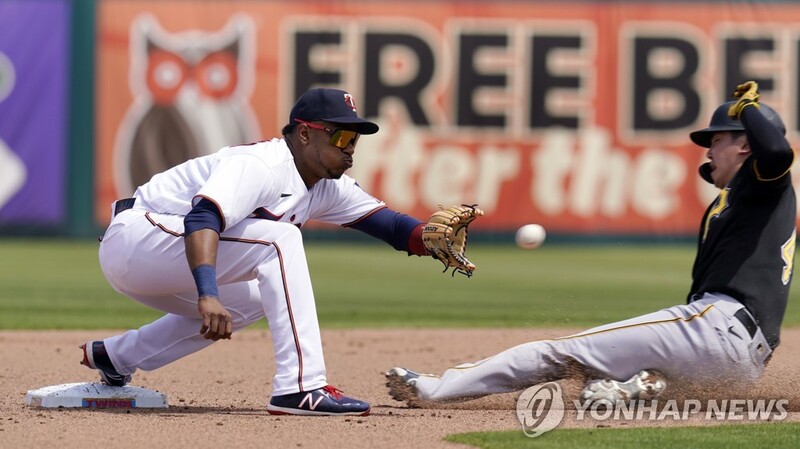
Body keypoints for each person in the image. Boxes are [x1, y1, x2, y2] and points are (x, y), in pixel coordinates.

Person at [386, 81, 795, 406]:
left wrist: (747, 109)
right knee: (618, 375)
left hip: (717, 328)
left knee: (557, 353)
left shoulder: (764, 183)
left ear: (746, 144)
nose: (708, 150)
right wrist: (724, 160)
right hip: (743, 363)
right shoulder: (744, 200)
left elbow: (777, 151)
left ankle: (436, 389)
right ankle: (637, 387)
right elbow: (738, 170)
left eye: (717, 139)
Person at [81, 88, 446, 416]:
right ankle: (300, 387)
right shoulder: (262, 165)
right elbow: (202, 218)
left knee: (255, 298)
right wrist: (208, 294)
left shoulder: (326, 186)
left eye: (355, 138)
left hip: (159, 260)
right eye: (341, 135)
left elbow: (392, 227)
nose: (350, 147)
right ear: (305, 134)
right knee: (279, 240)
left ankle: (116, 357)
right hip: (137, 238)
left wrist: (431, 239)